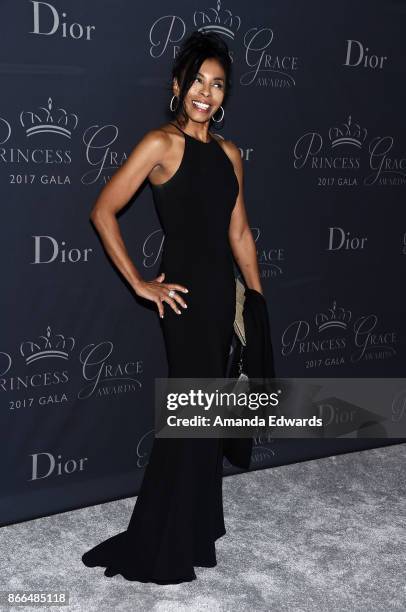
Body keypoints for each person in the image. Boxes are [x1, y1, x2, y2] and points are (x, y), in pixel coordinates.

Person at [81, 30, 264, 584]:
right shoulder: (161, 145)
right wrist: (140, 282)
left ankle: (194, 526)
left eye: (217, 85)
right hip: (184, 299)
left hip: (222, 297)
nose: (206, 94)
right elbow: (103, 210)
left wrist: (256, 299)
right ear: (178, 85)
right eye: (198, 82)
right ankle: (163, 539)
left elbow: (238, 231)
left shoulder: (230, 154)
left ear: (225, 94)